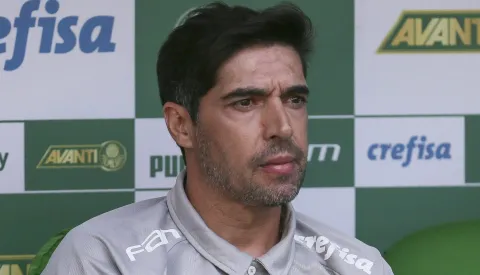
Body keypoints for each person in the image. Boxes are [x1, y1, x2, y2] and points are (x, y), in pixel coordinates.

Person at [41, 2, 394, 274]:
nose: (283, 127)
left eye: (294, 99)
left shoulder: (359, 266)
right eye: (246, 102)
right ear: (181, 124)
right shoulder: (103, 259)